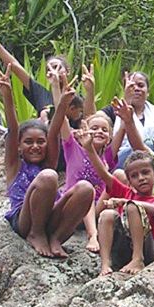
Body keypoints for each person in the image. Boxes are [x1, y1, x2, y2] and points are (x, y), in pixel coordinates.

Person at [0, 65, 93, 258]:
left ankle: (55, 238)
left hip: (51, 217)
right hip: (24, 220)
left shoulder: (48, 162)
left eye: (40, 142)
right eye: (28, 142)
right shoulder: (14, 165)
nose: (35, 146)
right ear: (18, 146)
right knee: (48, 177)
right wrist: (7, 96)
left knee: (85, 188)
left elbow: (55, 130)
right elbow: (14, 129)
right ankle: (36, 233)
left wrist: (64, 103)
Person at [78, 133, 154, 276]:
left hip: (147, 250)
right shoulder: (126, 192)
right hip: (123, 247)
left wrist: (125, 202)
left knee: (132, 207)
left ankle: (137, 259)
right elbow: (104, 175)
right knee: (107, 214)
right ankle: (106, 263)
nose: (141, 178)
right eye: (134, 176)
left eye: (145, 173)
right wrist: (89, 149)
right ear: (129, 181)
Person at [48, 65, 115, 252]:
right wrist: (56, 88)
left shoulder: (108, 155)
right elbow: (61, 120)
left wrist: (90, 91)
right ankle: (93, 235)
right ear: (84, 129)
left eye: (104, 130)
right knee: (87, 190)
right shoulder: (72, 147)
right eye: (94, 128)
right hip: (73, 206)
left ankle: (96, 231)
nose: (98, 132)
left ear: (110, 137)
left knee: (117, 177)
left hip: (98, 209)